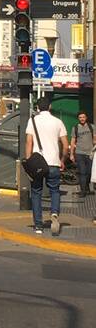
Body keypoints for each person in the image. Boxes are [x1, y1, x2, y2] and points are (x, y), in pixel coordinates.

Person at [25, 98, 69, 236]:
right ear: (50, 107)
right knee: (55, 191)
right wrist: (62, 159)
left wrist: (28, 162)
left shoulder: (33, 121)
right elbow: (66, 145)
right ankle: (54, 213)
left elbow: (29, 143)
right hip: (54, 163)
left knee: (36, 193)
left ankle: (38, 225)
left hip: (38, 164)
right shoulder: (58, 122)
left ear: (37, 107)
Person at [70, 111, 95, 197]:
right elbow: (73, 141)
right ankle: (83, 191)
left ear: (86, 118)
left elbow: (95, 138)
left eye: (83, 117)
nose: (82, 119)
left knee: (89, 172)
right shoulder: (75, 128)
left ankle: (87, 187)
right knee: (82, 172)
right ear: (78, 118)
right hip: (79, 153)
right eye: (80, 117)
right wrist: (72, 154)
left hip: (90, 153)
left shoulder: (92, 127)